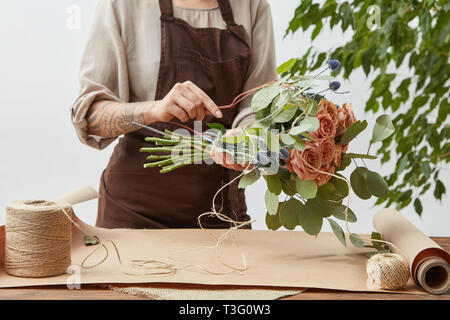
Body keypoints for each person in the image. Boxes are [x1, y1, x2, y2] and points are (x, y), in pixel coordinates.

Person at [70, 0, 277, 229]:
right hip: (135, 216)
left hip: (222, 214)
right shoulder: (122, 5)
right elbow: (89, 118)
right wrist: (153, 109)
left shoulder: (252, 6)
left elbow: (258, 107)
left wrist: (248, 138)